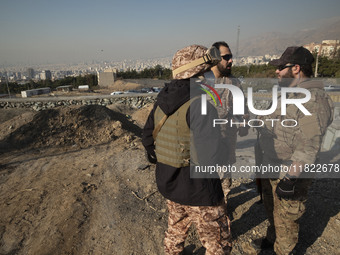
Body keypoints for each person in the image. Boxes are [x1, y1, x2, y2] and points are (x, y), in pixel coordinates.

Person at [142, 44, 232, 255]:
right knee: (219, 244)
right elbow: (209, 156)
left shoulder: (162, 98)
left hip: (169, 182)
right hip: (199, 189)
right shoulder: (200, 102)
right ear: (198, 70)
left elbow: (147, 138)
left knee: (175, 231)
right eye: (207, 68)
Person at [254, 46, 334, 255]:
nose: (277, 72)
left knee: (287, 219)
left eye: (281, 67)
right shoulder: (291, 92)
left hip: (289, 171)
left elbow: (310, 145)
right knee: (272, 211)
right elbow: (276, 120)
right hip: (272, 164)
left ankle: (283, 250)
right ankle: (272, 240)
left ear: (296, 68)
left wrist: (290, 179)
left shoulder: (312, 99)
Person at [210, 41, 249, 201]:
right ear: (214, 59)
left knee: (224, 176)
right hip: (205, 141)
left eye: (231, 57)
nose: (231, 60)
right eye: (226, 57)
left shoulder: (233, 82)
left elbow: (242, 106)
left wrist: (244, 123)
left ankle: (223, 206)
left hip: (227, 138)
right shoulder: (201, 81)